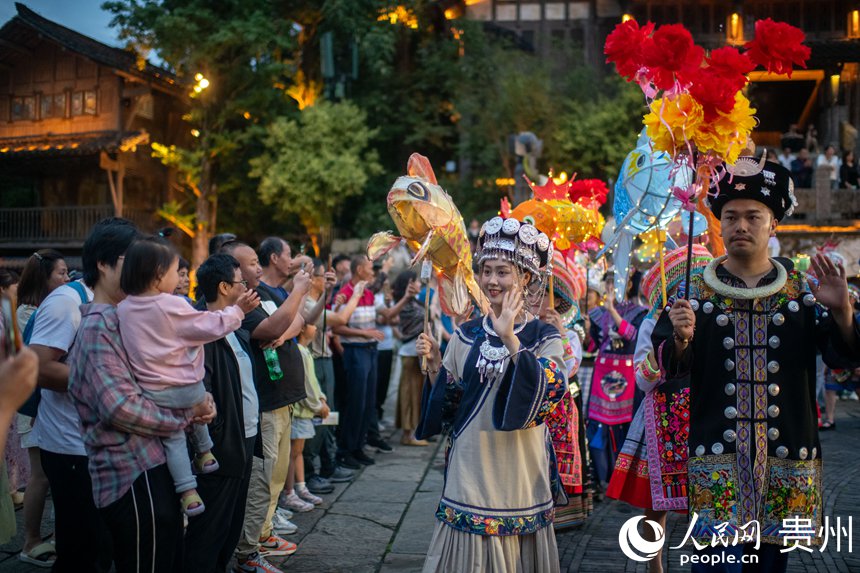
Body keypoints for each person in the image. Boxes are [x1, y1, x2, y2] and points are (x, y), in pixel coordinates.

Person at [655, 157, 860, 571]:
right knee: (714, 565)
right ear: (720, 223)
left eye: (753, 216)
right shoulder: (691, 292)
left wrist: (843, 314)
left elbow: (843, 360)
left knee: (770, 566)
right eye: (730, 216)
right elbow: (667, 370)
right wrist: (680, 339)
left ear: (773, 224)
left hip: (785, 456)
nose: (741, 226)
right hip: (717, 456)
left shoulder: (802, 291)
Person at [415, 216, 567, 572]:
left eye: (503, 272)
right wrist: (436, 364)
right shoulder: (466, 333)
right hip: (470, 462)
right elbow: (450, 403)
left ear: (525, 277)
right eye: (486, 271)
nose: (492, 281)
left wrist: (511, 338)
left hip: (519, 466)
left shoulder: (544, 336)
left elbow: (550, 393)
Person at [67, 234, 216, 573]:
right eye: (131, 259)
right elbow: (120, 408)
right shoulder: (98, 328)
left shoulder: (131, 316)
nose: (145, 269)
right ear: (103, 265)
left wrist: (199, 399)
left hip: (153, 466)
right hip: (130, 473)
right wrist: (186, 416)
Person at [117, 237, 258, 516]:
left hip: (149, 392)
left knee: (174, 440)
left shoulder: (123, 308)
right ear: (159, 275)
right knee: (197, 413)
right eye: (175, 271)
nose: (182, 276)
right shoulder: (172, 305)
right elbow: (207, 325)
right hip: (184, 388)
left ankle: (188, 491)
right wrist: (238, 312)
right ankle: (205, 452)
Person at [28, 217, 138, 572]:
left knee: (108, 547)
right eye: (130, 260)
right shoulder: (66, 302)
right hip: (73, 450)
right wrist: (106, 382)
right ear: (104, 263)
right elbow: (41, 367)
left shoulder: (125, 303)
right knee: (83, 551)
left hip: (112, 447)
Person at [606, 245, 712, 573]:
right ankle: (655, 565)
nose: (688, 293)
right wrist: (663, 354)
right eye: (682, 287)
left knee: (709, 496)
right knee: (657, 503)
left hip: (704, 413)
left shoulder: (711, 319)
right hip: (662, 417)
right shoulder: (654, 321)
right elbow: (642, 377)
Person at [222, 241, 310, 572]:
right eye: (252, 263)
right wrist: (298, 292)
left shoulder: (264, 296)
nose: (257, 268)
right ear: (232, 272)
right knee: (263, 479)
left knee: (274, 474)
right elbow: (273, 326)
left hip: (282, 399)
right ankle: (250, 546)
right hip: (264, 402)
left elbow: (296, 322)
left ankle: (265, 532)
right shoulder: (241, 306)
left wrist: (285, 330)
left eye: (259, 263)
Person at [184, 254, 262, 572]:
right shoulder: (203, 330)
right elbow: (202, 391)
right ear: (224, 287)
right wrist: (216, 433)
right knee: (211, 527)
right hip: (221, 442)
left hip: (244, 436)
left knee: (230, 524)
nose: (246, 286)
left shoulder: (234, 326)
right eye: (240, 280)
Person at [14, 249, 68, 567]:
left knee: (51, 475)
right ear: (44, 277)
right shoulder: (30, 312)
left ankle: (57, 535)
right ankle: (30, 540)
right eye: (61, 273)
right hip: (32, 403)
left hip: (39, 400)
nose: (67, 279)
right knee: (41, 476)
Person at [300, 260, 366, 493]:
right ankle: (310, 472)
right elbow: (340, 320)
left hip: (325, 359)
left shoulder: (319, 302)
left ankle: (328, 463)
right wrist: (356, 294)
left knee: (330, 414)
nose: (325, 279)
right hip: (315, 361)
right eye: (321, 276)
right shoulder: (306, 303)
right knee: (318, 415)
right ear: (311, 279)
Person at [539, 252, 593, 530]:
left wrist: (558, 330)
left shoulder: (570, 333)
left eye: (545, 295)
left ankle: (564, 513)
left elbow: (570, 367)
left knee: (562, 457)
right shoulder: (528, 328)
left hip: (561, 406)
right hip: (538, 407)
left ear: (558, 301)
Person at [585, 270, 648, 491]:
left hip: (627, 375)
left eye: (615, 281)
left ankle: (623, 478)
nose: (611, 285)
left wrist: (612, 310)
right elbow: (594, 345)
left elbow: (633, 336)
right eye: (608, 281)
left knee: (625, 426)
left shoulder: (640, 312)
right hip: (602, 372)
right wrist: (587, 332)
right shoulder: (599, 313)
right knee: (597, 423)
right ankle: (603, 475)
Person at [331, 255, 386, 469]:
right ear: (360, 270)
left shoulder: (370, 293)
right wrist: (364, 334)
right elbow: (335, 327)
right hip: (355, 351)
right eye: (370, 268)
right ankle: (346, 450)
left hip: (370, 351)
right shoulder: (345, 294)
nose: (373, 272)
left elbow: (374, 319)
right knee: (355, 402)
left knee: (368, 402)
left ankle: (358, 447)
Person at [281, 321, 330, 513]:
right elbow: (305, 384)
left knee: (297, 452)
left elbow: (313, 382)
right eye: (311, 324)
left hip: (307, 410)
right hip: (301, 411)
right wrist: (317, 404)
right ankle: (290, 492)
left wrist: (321, 399)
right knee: (293, 452)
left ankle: (300, 487)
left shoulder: (305, 351)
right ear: (301, 329)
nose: (316, 327)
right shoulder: (300, 351)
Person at [393, 270, 428, 446]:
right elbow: (395, 319)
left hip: (417, 352)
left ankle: (413, 430)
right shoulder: (405, 304)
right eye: (416, 281)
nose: (419, 284)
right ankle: (408, 433)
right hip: (409, 351)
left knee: (416, 392)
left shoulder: (415, 302)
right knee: (409, 393)